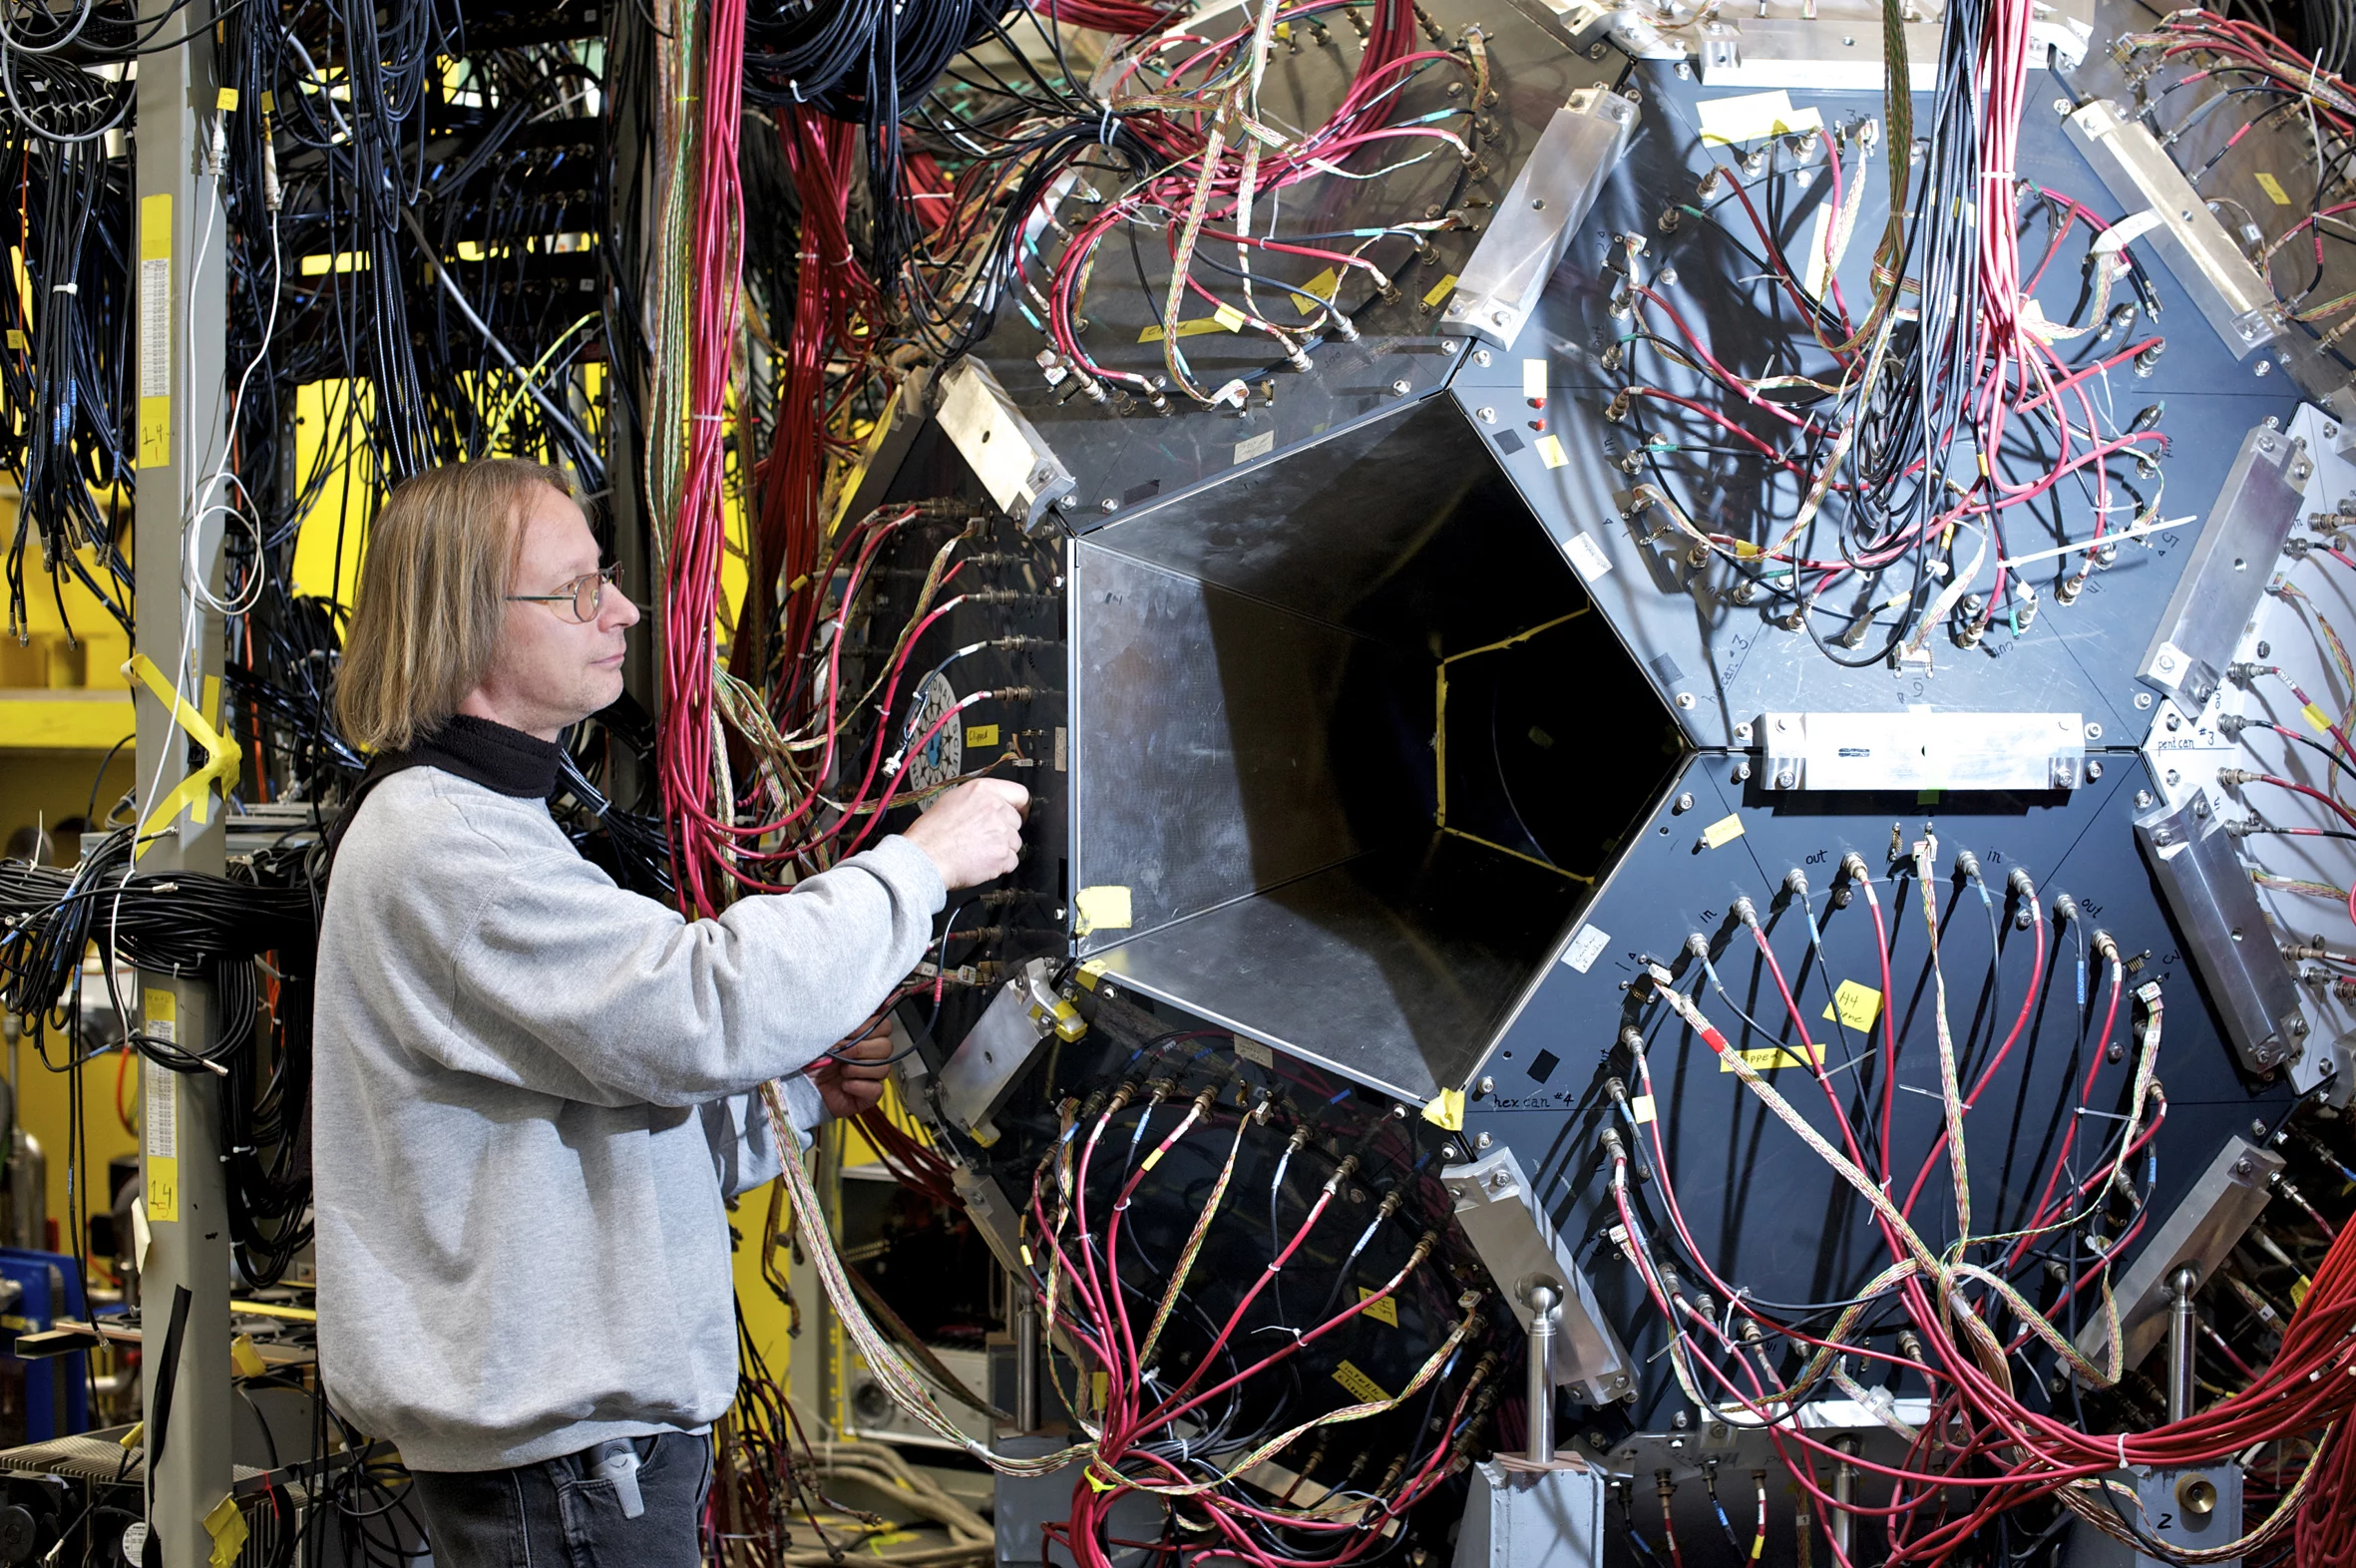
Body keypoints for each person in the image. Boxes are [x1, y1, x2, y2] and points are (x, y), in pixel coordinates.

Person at [314, 459, 1027, 1565]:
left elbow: (594, 1126)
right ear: (466, 624)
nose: (625, 611)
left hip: (588, 1462)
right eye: (575, 592)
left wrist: (790, 1100)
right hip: (567, 1479)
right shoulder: (442, 847)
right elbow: (700, 1009)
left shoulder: (496, 825)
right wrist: (921, 865)